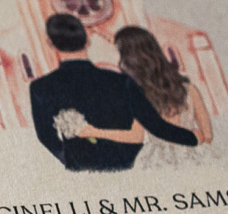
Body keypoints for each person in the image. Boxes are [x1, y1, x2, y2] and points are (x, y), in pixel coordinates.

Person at [28, 13, 199, 171]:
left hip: (82, 167)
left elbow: (46, 136)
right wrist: (193, 138)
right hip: (128, 165)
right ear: (88, 41)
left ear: (51, 44)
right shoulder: (121, 81)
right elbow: (156, 125)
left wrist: (70, 160)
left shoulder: (40, 87)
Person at [110, 24, 213, 169]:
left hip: (157, 161)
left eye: (120, 53)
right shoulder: (188, 88)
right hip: (194, 157)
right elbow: (207, 135)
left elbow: (134, 136)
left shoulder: (131, 93)